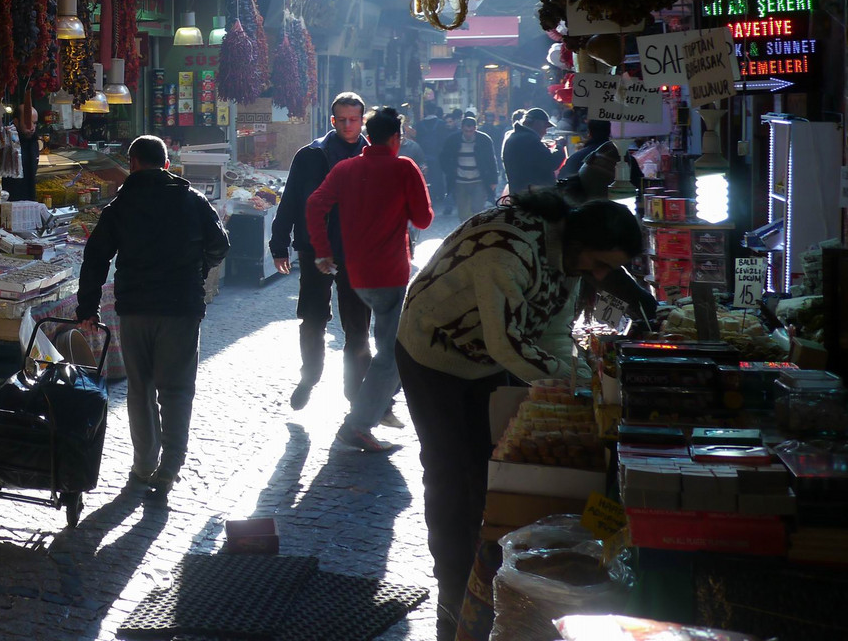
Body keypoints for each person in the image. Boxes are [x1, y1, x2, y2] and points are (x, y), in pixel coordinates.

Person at [394, 190, 642, 638]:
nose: (601, 275)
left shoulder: (567, 257)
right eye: (600, 263)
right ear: (578, 242)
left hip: (486, 359)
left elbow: (552, 335)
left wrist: (592, 383)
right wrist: (581, 387)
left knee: (488, 471)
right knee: (449, 473)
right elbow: (507, 343)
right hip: (432, 354)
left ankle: (482, 573)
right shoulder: (507, 251)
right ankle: (452, 591)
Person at [77, 135, 228, 495]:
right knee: (176, 390)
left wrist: (87, 308)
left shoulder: (120, 206)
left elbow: (95, 258)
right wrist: (200, 271)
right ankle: (171, 464)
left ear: (132, 163)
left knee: (140, 389)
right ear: (166, 165)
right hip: (180, 309)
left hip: (135, 310)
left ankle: (144, 465)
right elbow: (220, 245)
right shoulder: (193, 200)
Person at [305, 107, 433, 452]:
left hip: (357, 274)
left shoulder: (346, 168)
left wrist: (323, 250)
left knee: (384, 347)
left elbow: (315, 204)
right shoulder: (404, 167)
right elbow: (423, 219)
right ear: (396, 138)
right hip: (391, 273)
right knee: (392, 352)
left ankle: (373, 408)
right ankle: (359, 424)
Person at [270, 92, 370, 411]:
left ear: (362, 120)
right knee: (312, 318)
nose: (348, 125)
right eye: (341, 119)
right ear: (332, 120)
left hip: (357, 252)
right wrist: (279, 243)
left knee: (357, 324)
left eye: (353, 119)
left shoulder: (373, 156)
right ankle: (310, 376)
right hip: (315, 248)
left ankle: (354, 389)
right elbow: (290, 201)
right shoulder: (310, 155)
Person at [436, 111, 497, 221]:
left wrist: (493, 180)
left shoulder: (484, 140)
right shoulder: (453, 140)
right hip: (460, 182)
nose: (468, 133)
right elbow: (443, 157)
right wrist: (450, 171)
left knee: (477, 210)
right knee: (463, 213)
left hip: (479, 180)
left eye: (471, 131)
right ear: (462, 128)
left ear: (475, 128)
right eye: (466, 131)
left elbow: (491, 160)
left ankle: (476, 232)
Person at [501, 108, 562, 197]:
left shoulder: (514, 136)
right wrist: (559, 146)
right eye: (545, 127)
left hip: (519, 192)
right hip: (533, 196)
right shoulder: (530, 139)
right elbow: (552, 163)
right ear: (537, 124)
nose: (545, 132)